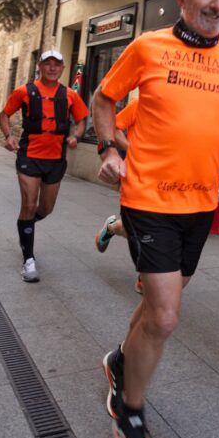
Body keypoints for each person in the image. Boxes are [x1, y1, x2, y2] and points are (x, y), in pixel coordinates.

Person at [94, 0, 219, 438]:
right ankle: (130, 415)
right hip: (147, 198)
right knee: (167, 316)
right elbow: (105, 98)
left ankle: (121, 363)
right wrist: (106, 147)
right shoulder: (147, 46)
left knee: (155, 304)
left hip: (200, 204)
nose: (217, 5)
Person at [0, 50, 88, 281]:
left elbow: (81, 120)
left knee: (45, 208)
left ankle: (25, 226)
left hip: (56, 159)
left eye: (56, 64)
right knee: (29, 204)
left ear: (62, 68)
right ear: (39, 66)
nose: (51, 68)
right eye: (47, 64)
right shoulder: (24, 91)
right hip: (29, 155)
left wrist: (76, 136)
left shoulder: (70, 95)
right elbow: (4, 114)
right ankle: (28, 260)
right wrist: (9, 136)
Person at [94, 96, 141, 293]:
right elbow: (114, 127)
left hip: (177, 184)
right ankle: (112, 228)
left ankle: (146, 274)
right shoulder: (141, 102)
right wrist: (135, 150)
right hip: (140, 176)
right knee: (139, 228)